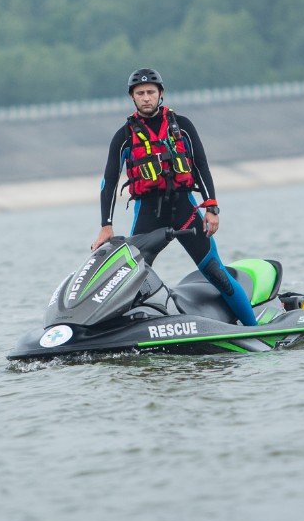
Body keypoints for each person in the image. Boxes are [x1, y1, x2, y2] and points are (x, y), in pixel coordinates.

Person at [91, 67, 258, 326]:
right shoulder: (123, 137)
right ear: (132, 97)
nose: (146, 98)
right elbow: (109, 182)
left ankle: (254, 329)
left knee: (216, 273)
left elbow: (201, 166)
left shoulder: (183, 126)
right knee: (131, 279)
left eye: (150, 92)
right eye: (140, 93)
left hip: (185, 211)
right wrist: (106, 226)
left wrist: (211, 207)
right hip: (148, 215)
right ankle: (122, 332)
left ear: (161, 94)